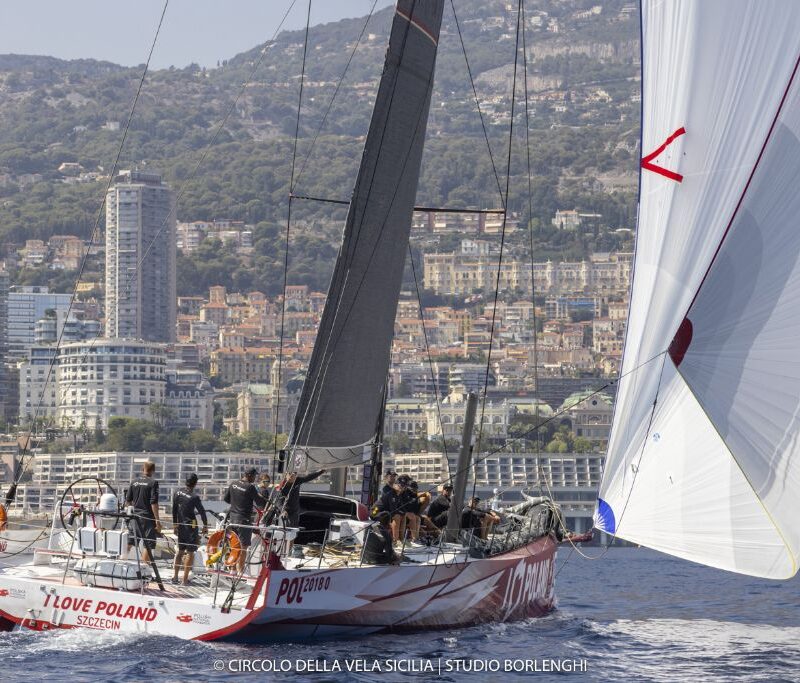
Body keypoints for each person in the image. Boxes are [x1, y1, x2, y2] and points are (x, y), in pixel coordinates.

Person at [224, 468, 268, 573]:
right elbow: (260, 503)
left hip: (232, 519)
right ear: (249, 475)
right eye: (254, 476)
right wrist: (263, 496)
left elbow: (226, 499)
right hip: (244, 521)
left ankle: (232, 570)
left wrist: (236, 503)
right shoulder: (250, 487)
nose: (255, 478)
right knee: (243, 548)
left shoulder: (233, 483)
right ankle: (240, 572)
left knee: (234, 546)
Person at [171, 473, 208, 585]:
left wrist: (175, 524)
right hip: (191, 525)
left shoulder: (177, 492)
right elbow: (202, 512)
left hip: (181, 525)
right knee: (190, 552)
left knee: (180, 551)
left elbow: (174, 510)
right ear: (195, 483)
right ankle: (184, 580)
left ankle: (175, 577)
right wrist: (205, 525)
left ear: (185, 481)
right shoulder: (194, 497)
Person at [125, 460, 161, 563]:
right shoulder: (153, 483)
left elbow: (128, 501)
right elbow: (154, 503)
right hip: (147, 518)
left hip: (134, 517)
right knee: (148, 544)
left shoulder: (134, 482)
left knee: (131, 541)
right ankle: (144, 570)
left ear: (142, 469)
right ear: (153, 470)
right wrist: (158, 521)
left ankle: (121, 562)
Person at [376, 470, 402, 541]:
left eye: (394, 476)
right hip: (382, 511)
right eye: (391, 476)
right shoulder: (385, 489)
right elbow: (389, 504)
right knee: (397, 517)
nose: (393, 478)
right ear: (386, 477)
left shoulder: (394, 490)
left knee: (403, 515)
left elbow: (396, 503)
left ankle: (402, 539)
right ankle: (395, 540)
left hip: (389, 511)